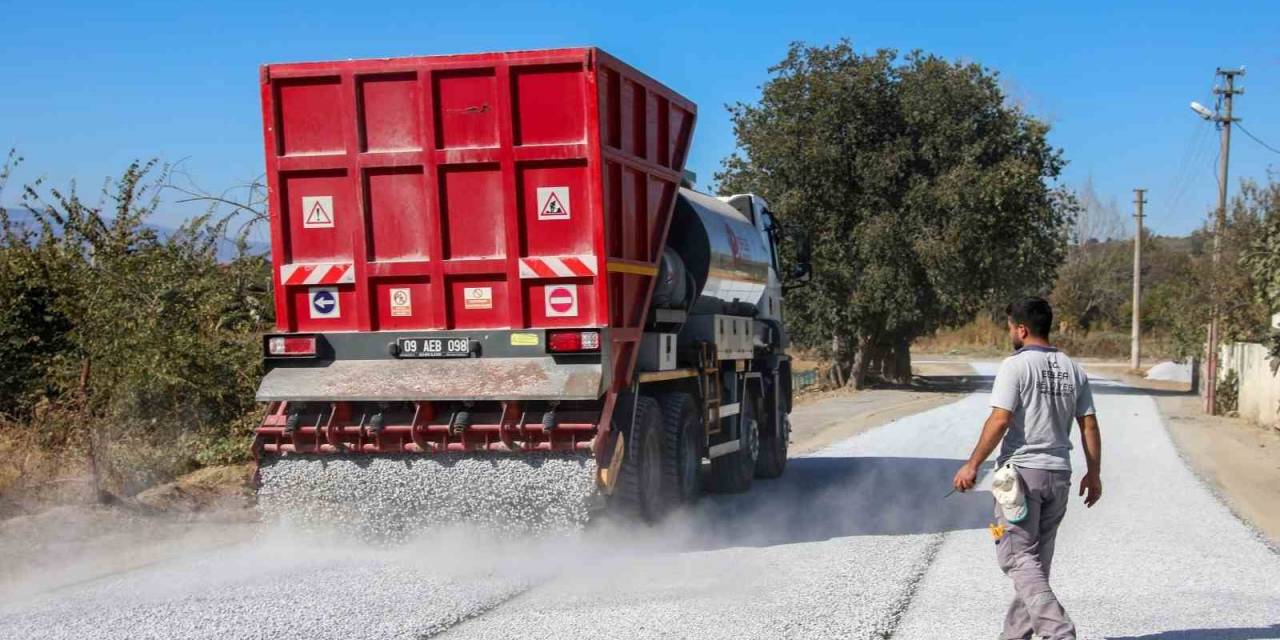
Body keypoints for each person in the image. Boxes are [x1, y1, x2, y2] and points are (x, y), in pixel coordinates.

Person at [952, 297, 1103, 640]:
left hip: (1018, 476)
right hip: (1058, 477)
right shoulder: (1073, 368)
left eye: (1010, 327)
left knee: (1016, 558)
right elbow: (1089, 425)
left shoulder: (1015, 366)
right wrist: (1093, 474)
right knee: (1034, 564)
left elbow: (1000, 418)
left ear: (1021, 329)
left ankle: (1059, 631)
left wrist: (972, 464)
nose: (1010, 333)